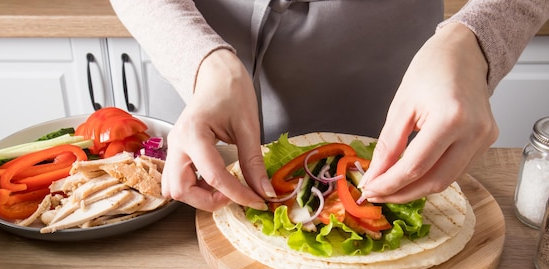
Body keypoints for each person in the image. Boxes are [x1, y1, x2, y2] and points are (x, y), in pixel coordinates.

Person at [110, 0, 549, 212]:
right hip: (199, 48)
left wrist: (474, 38)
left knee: (400, 181)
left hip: (395, 59)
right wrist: (198, 61)